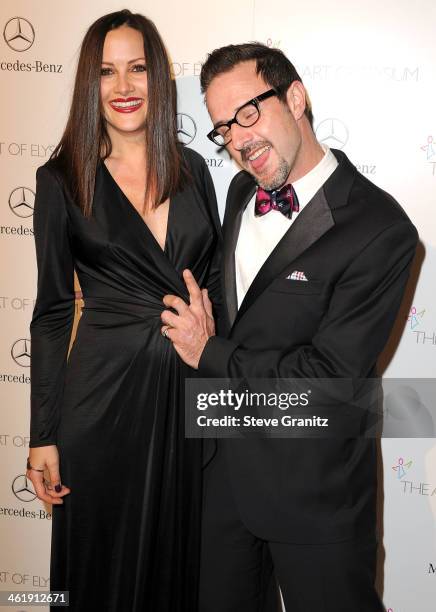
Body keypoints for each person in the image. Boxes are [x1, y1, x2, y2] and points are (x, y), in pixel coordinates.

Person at [160, 43, 418, 611]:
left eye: (248, 113)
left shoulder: (380, 228)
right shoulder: (236, 192)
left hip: (316, 493)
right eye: (223, 126)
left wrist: (210, 353)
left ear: (296, 97)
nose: (239, 138)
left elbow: (327, 381)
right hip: (222, 485)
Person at [26, 10, 221, 612]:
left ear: (157, 78)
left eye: (137, 68)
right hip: (101, 402)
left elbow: (214, 285)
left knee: (181, 563)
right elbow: (54, 311)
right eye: (107, 72)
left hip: (187, 395)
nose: (124, 86)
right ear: (90, 83)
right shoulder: (62, 179)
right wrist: (43, 435)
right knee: (98, 564)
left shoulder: (195, 172)